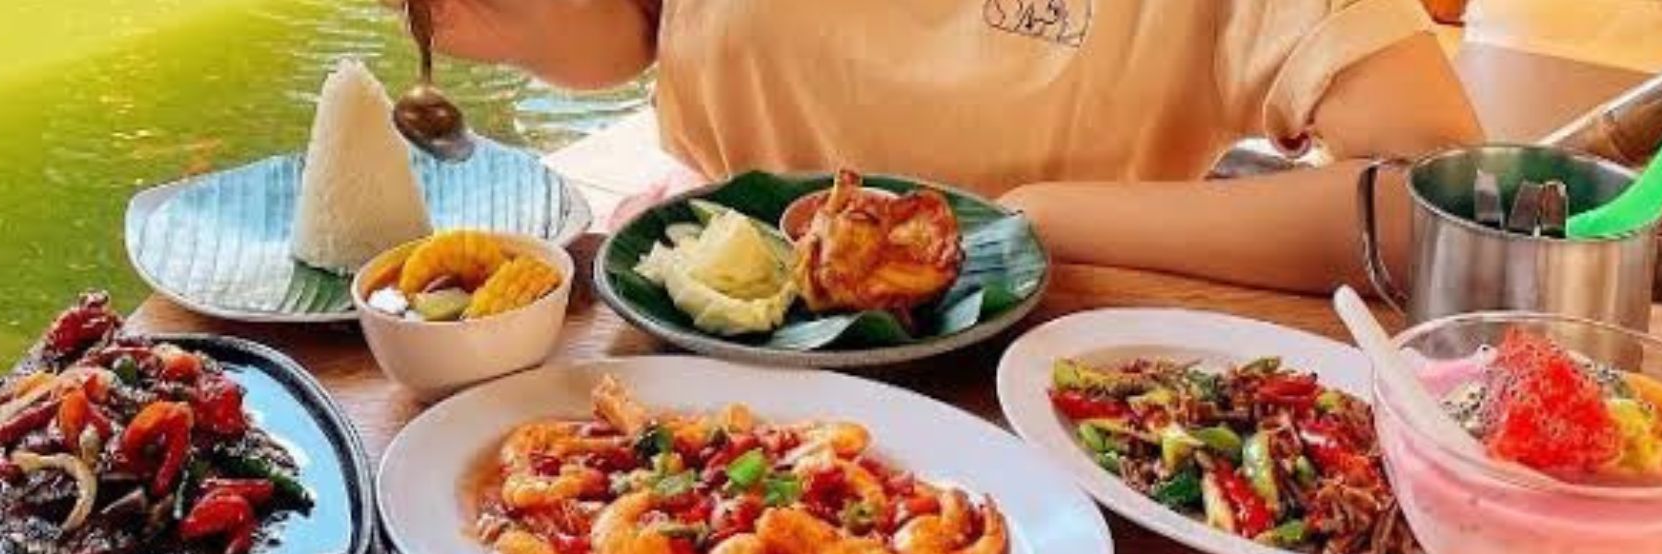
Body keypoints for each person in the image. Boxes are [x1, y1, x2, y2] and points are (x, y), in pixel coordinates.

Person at [420, 0, 1483, 293]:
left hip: (1073, 409)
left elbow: (1450, 209)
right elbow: (611, 39)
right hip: (740, 397)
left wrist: (1036, 220)